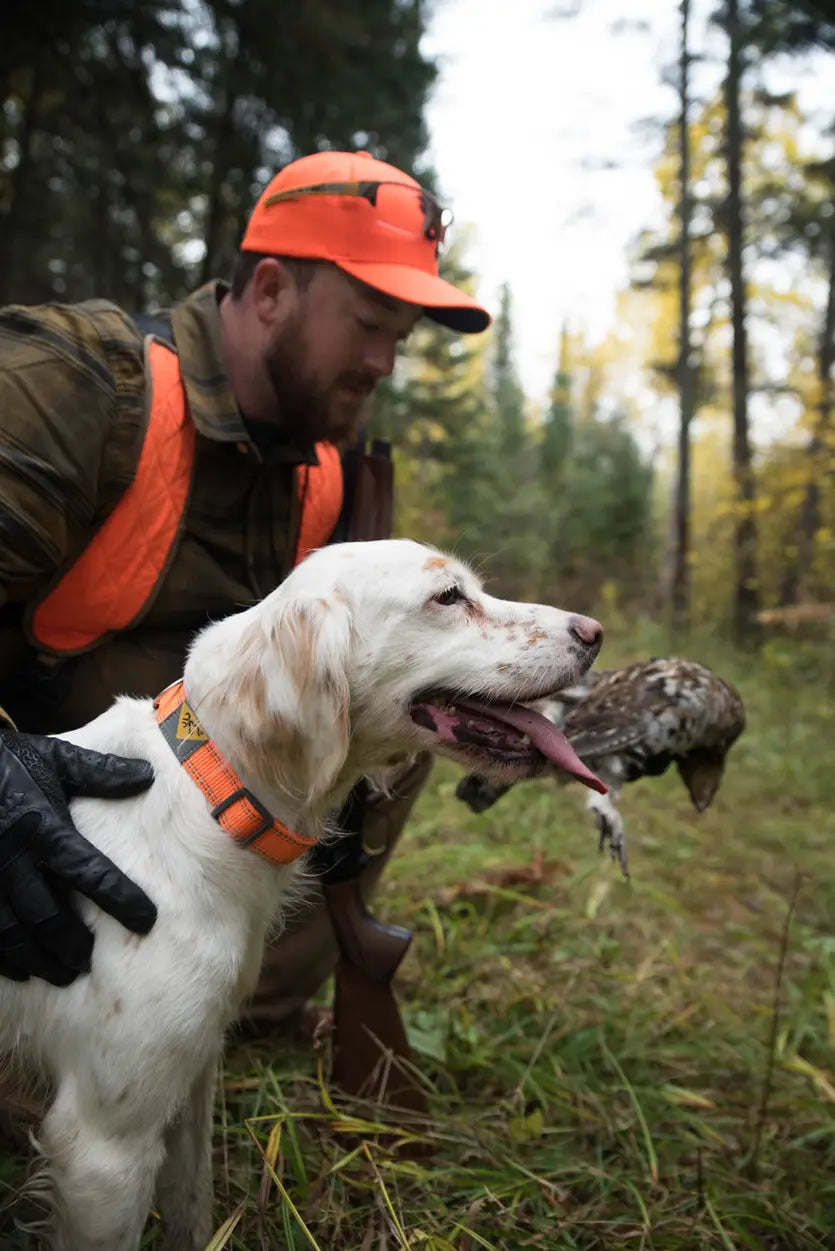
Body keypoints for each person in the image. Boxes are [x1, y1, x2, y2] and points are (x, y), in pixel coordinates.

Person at [0, 149, 490, 1042]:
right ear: (269, 290)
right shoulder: (79, 384)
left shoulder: (333, 473)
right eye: (371, 321)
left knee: (410, 698)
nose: (385, 361)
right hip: (39, 806)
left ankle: (233, 1012)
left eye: (403, 336)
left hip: (203, 840)